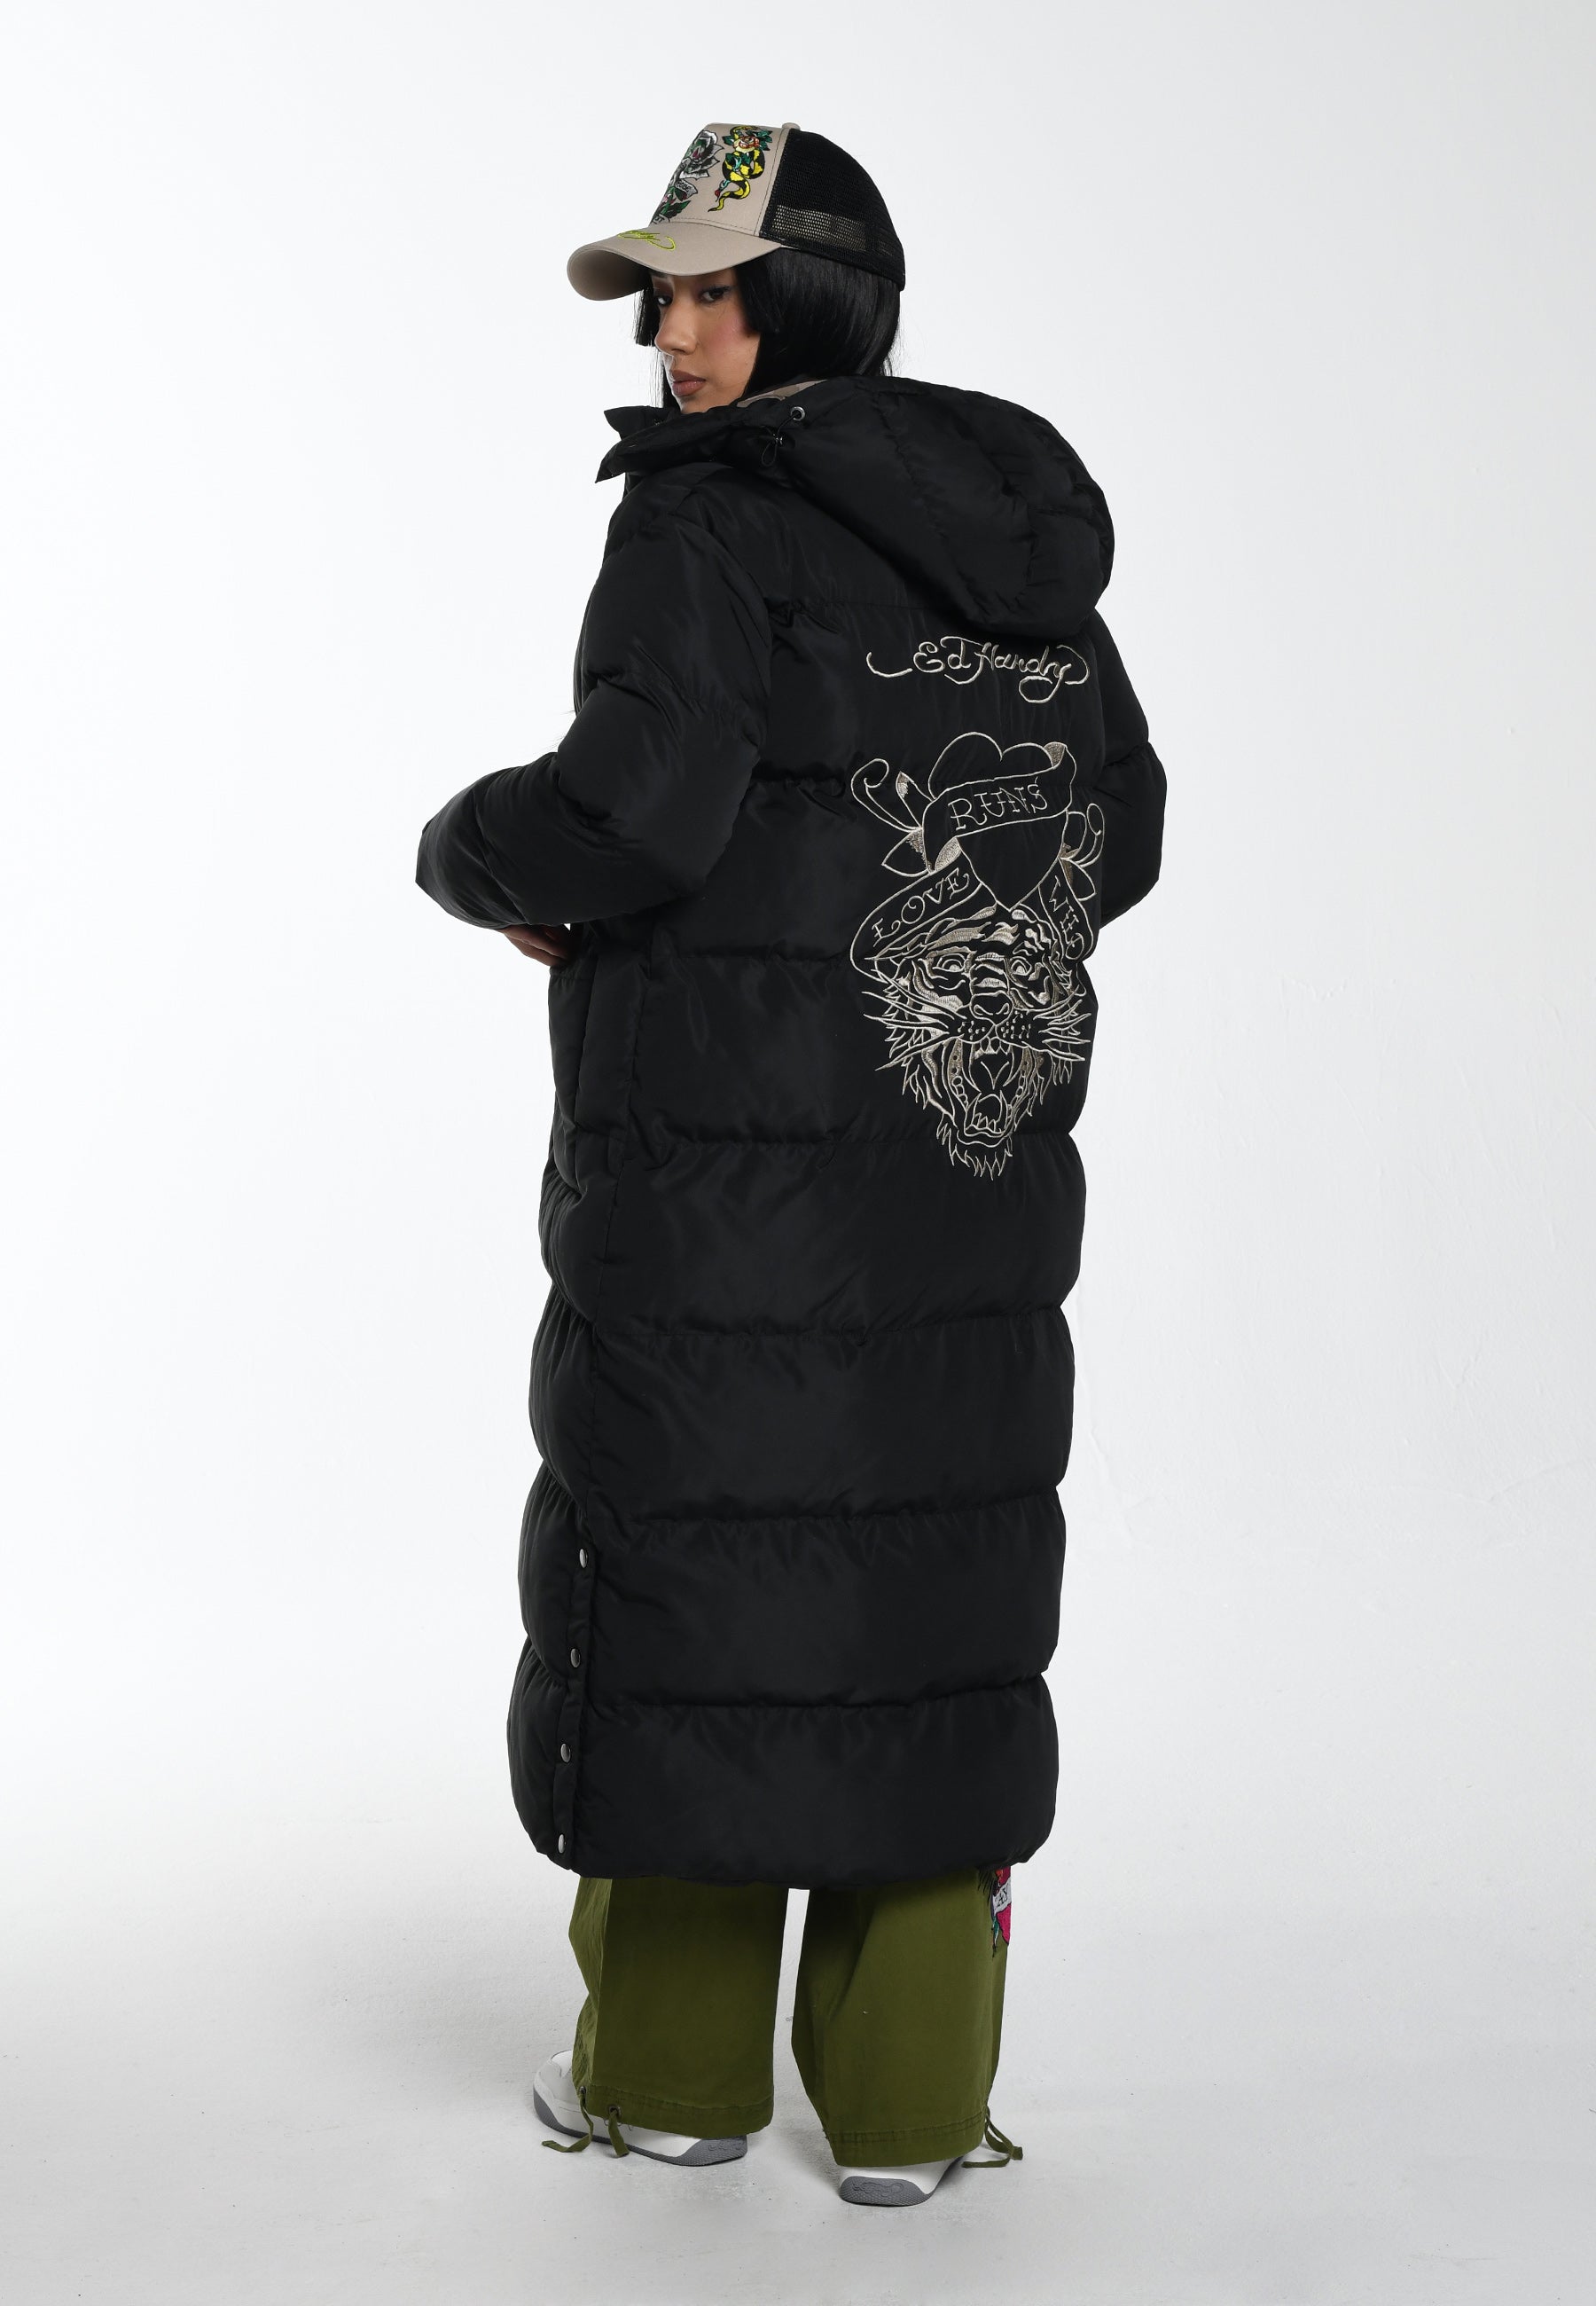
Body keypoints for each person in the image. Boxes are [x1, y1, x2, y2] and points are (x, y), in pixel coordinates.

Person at [415, 121, 1165, 2209]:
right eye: (663, 298)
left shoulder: (707, 520)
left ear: (811, 295)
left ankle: (670, 2079)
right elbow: (1121, 823)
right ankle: (913, 2110)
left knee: (695, 1578)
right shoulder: (1016, 540)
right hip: (958, 1148)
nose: (675, 338)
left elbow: (631, 810)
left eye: (714, 293)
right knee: (925, 1595)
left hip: (719, 1176)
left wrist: (470, 850)